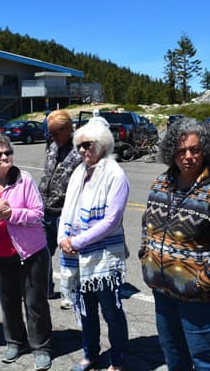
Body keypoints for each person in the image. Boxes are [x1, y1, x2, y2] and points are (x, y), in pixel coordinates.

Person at [139, 117, 210, 371]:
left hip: (201, 299)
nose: (188, 156)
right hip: (163, 291)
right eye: (181, 150)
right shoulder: (162, 182)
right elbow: (146, 223)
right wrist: (145, 257)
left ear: (206, 149)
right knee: (173, 355)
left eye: (195, 149)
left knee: (208, 362)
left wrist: (204, 281)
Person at [0, 133, 52, 371]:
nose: (5, 156)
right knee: (8, 303)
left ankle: (41, 347)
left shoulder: (24, 179)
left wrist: (12, 214)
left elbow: (38, 213)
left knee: (35, 303)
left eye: (8, 152)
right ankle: (16, 342)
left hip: (31, 253)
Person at [59, 119, 129, 371]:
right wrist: (62, 238)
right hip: (77, 255)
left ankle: (118, 361)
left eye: (87, 145)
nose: (81, 150)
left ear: (101, 144)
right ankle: (90, 354)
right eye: (79, 146)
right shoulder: (79, 172)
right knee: (85, 309)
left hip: (103, 257)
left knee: (111, 311)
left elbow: (112, 220)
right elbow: (67, 208)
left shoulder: (115, 174)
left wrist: (77, 241)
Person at [38, 110, 82, 309]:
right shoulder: (52, 145)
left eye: (56, 132)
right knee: (42, 253)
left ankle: (70, 293)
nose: (53, 137)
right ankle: (45, 288)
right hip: (45, 209)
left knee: (69, 255)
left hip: (66, 212)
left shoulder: (79, 149)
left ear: (68, 128)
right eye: (50, 133)